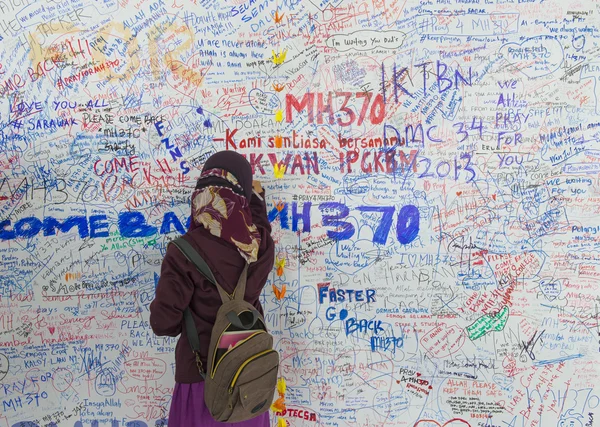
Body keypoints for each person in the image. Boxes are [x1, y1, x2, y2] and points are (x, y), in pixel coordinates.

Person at [150, 151, 275, 426]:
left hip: (200, 384)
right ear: (241, 195)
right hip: (247, 383)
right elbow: (260, 223)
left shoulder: (183, 252)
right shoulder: (259, 248)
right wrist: (257, 196)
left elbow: (163, 324)